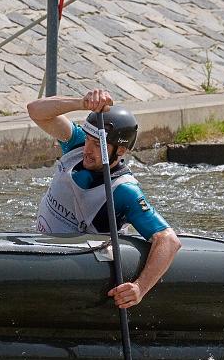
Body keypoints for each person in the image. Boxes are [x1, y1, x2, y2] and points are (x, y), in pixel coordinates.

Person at [27, 88, 181, 308]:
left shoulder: (124, 191)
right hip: (41, 245)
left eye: (98, 145)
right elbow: (35, 111)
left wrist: (139, 288)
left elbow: (168, 240)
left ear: (121, 152)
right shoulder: (77, 144)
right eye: (89, 139)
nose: (88, 150)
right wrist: (82, 103)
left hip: (77, 268)